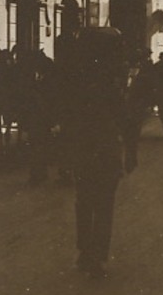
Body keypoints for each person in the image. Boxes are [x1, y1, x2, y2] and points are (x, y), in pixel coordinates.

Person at [59, 27, 137, 279]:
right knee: (104, 204)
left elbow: (67, 119)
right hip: (105, 150)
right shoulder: (113, 85)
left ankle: (84, 252)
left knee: (83, 201)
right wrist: (131, 152)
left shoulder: (75, 82)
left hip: (82, 149)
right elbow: (126, 120)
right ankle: (97, 255)